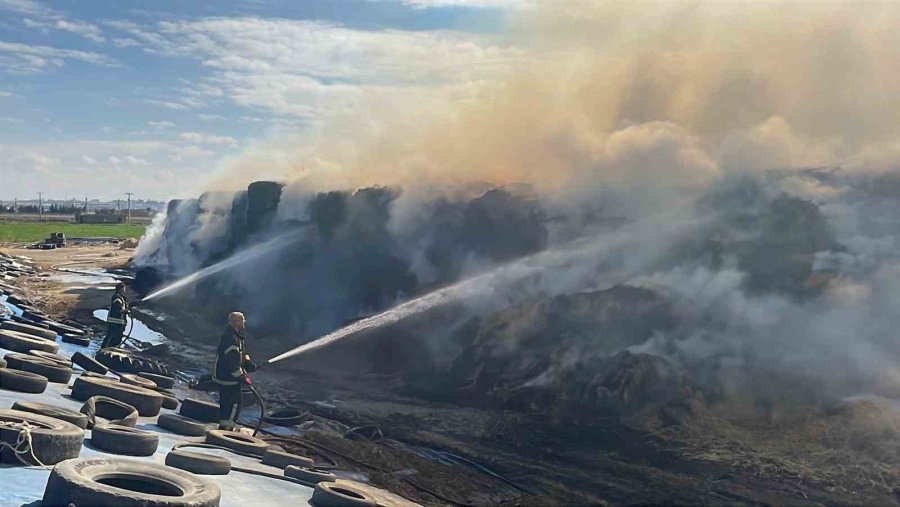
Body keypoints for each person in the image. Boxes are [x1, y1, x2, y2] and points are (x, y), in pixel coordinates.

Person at [213, 312, 258, 431]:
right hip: (228, 379)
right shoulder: (231, 338)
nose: (244, 323)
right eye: (242, 320)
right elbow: (231, 362)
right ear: (237, 322)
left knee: (227, 406)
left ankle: (224, 429)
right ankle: (226, 431)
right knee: (233, 406)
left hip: (226, 377)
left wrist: (248, 364)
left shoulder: (236, 336)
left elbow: (241, 354)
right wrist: (242, 377)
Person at [101, 282, 129, 348]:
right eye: (124, 288)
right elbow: (118, 308)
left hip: (119, 322)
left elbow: (123, 308)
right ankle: (105, 349)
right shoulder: (117, 297)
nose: (125, 289)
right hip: (115, 321)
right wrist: (125, 311)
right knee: (112, 336)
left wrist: (130, 306)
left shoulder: (121, 297)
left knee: (117, 337)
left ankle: (111, 348)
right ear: (120, 289)